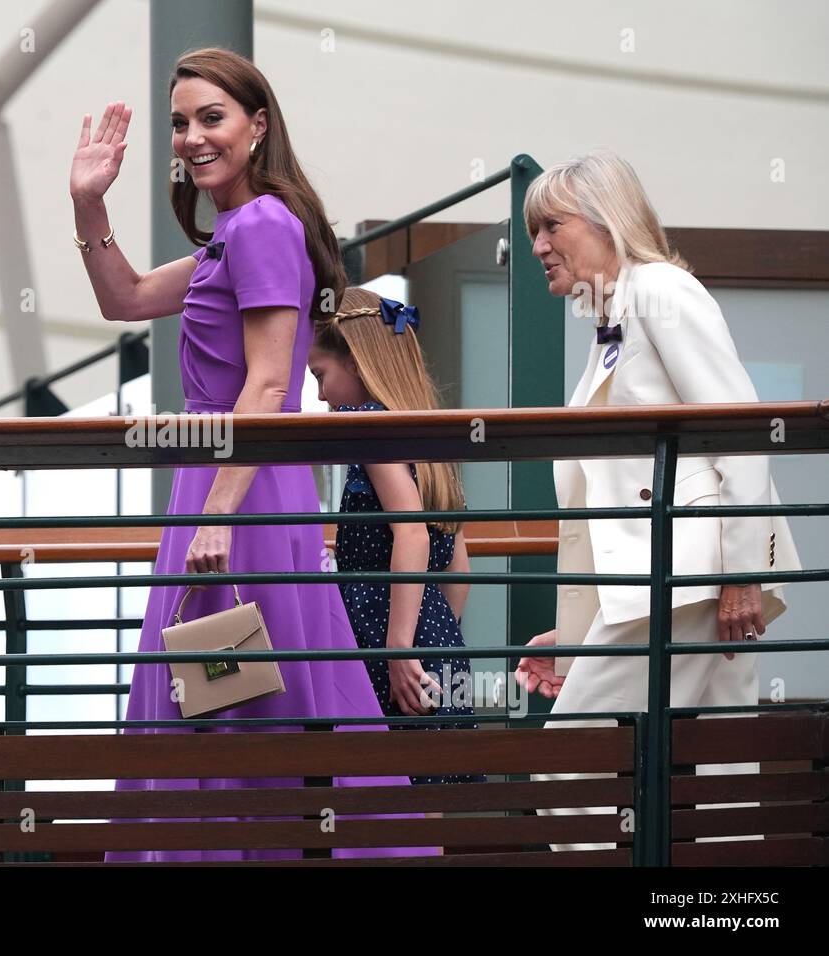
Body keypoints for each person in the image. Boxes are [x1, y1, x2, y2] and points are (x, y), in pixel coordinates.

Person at [69, 47, 432, 861]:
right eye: (180, 123)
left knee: (227, 698)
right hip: (228, 480)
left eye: (212, 117)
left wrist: (216, 515)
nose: (192, 138)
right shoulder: (236, 232)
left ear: (258, 126)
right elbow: (121, 299)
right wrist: (89, 203)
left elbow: (270, 386)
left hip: (240, 488)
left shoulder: (264, 223)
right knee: (225, 690)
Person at [512, 150, 801, 851]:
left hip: (693, 580)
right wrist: (579, 639)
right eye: (532, 234)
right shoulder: (610, 323)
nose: (539, 247)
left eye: (551, 226)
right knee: (718, 783)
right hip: (673, 584)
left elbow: (739, 428)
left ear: (607, 221)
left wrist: (738, 572)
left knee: (568, 768)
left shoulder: (660, 291)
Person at [308, 287, 484, 788]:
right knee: (435, 801)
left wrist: (400, 648)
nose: (320, 395)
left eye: (320, 375)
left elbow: (411, 533)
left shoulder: (369, 430)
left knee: (388, 799)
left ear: (359, 364)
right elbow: (458, 567)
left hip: (390, 645)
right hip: (438, 642)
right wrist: (434, 636)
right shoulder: (426, 441)